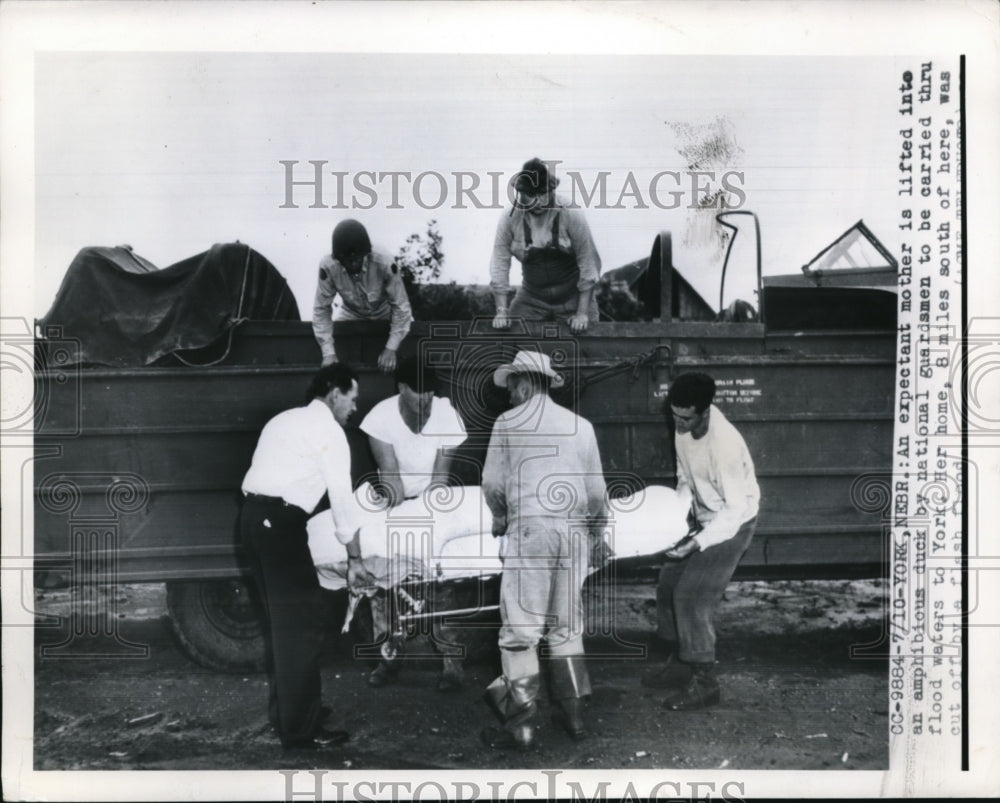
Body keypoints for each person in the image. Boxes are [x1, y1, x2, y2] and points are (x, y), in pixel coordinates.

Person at [480, 350, 611, 750]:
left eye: (512, 389)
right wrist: (597, 534)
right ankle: (573, 716)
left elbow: (492, 483)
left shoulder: (507, 423)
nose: (509, 398)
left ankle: (520, 725)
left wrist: (501, 519)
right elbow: (596, 492)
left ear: (523, 383)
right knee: (566, 626)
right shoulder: (580, 425)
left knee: (521, 629)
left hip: (531, 530)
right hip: (573, 533)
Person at [240, 363, 375, 749]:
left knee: (285, 627)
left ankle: (294, 713)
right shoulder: (329, 432)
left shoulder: (284, 420)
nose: (354, 408)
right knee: (298, 628)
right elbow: (342, 500)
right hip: (278, 527)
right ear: (334, 392)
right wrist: (355, 560)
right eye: (352, 399)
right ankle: (301, 731)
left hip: (252, 521)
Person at [642, 372, 760, 710]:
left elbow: (734, 510)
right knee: (667, 584)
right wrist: (675, 513)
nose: (678, 424)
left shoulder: (724, 445)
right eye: (674, 415)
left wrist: (696, 543)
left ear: (705, 411)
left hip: (733, 523)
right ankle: (682, 663)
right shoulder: (684, 428)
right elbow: (684, 476)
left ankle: (705, 682)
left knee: (691, 595)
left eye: (685, 418)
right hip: (705, 517)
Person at [358, 356, 469, 692]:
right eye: (417, 392)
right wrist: (406, 529)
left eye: (430, 394)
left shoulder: (446, 414)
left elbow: (440, 479)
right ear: (401, 388)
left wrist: (428, 528)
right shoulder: (379, 418)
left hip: (432, 502)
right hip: (394, 502)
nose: (424, 400)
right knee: (383, 581)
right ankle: (389, 659)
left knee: (440, 579)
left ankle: (451, 665)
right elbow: (391, 482)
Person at [490, 158, 601, 333]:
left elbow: (589, 262)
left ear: (551, 190)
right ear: (520, 193)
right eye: (532, 195)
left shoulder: (570, 212)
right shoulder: (510, 217)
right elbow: (499, 263)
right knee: (510, 340)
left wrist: (581, 313)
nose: (539, 201)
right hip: (531, 298)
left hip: (573, 298)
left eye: (543, 193)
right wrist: (502, 312)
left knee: (588, 349)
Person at [312, 218, 413, 374]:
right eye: (347, 260)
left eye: (357, 259)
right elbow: (321, 309)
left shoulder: (384, 261)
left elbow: (401, 306)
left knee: (409, 342)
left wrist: (391, 348)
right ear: (338, 258)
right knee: (338, 349)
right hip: (351, 313)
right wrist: (328, 353)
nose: (353, 264)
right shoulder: (328, 266)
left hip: (386, 312)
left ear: (366, 254)